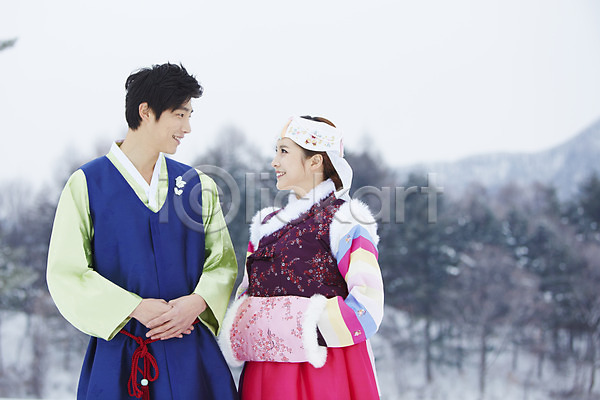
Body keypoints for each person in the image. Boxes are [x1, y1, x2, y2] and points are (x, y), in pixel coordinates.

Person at [46, 63, 238, 400]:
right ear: (145, 111)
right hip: (121, 356)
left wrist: (197, 302)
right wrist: (134, 307)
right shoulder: (88, 184)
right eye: (180, 115)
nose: (187, 127)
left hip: (190, 351)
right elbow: (67, 273)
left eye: (189, 115)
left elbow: (222, 262)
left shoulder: (198, 185)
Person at [219, 115, 384, 399]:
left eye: (284, 151)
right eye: (276, 151)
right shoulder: (265, 226)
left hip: (323, 369)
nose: (275, 161)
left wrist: (300, 327)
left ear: (315, 161)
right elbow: (245, 297)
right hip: (263, 370)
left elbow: (367, 305)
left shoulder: (346, 220)